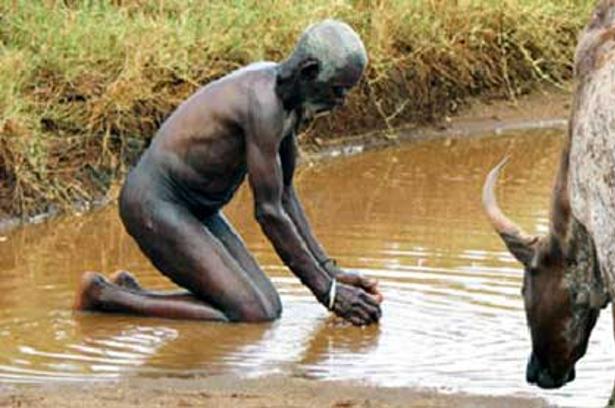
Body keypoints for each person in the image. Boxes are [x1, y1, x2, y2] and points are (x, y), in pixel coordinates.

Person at [74, 20, 383, 326]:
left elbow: (285, 194)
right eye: (337, 90)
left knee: (270, 307)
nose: (341, 101)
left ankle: (128, 294)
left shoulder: (290, 102)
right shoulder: (262, 104)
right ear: (309, 71)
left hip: (199, 210)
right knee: (251, 313)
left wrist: (330, 272)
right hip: (155, 203)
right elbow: (269, 212)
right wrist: (329, 293)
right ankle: (101, 295)